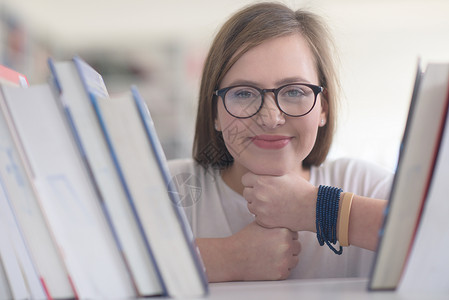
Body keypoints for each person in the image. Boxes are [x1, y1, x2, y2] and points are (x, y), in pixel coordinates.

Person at [168, 2, 393, 282]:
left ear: (323, 108)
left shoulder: (365, 185)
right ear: (214, 112)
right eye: (243, 94)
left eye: (295, 91)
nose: (271, 118)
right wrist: (225, 257)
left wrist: (320, 209)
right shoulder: (169, 189)